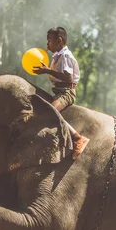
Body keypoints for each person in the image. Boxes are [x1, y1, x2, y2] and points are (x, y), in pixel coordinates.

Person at [33, 26, 90, 159]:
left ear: (59, 41)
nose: (47, 44)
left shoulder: (64, 55)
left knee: (51, 112)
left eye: (49, 40)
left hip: (66, 92)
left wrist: (47, 70)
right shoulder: (58, 55)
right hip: (59, 91)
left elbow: (68, 77)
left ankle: (78, 138)